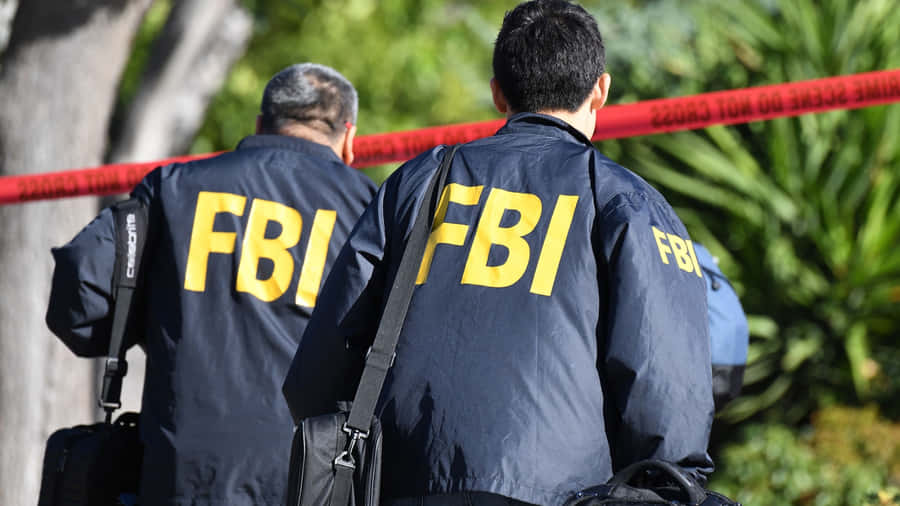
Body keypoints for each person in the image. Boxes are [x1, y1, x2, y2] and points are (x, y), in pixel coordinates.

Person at [283, 1, 714, 504]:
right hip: (565, 493)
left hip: (406, 483)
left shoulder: (420, 181)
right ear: (601, 89)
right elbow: (665, 390)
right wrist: (665, 485)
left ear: (497, 94)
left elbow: (321, 367)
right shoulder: (625, 201)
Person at [46, 63, 377, 505]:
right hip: (304, 482)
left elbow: (80, 301)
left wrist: (165, 318)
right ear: (350, 138)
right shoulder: (367, 208)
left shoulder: (173, 186)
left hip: (179, 477)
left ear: (261, 123)